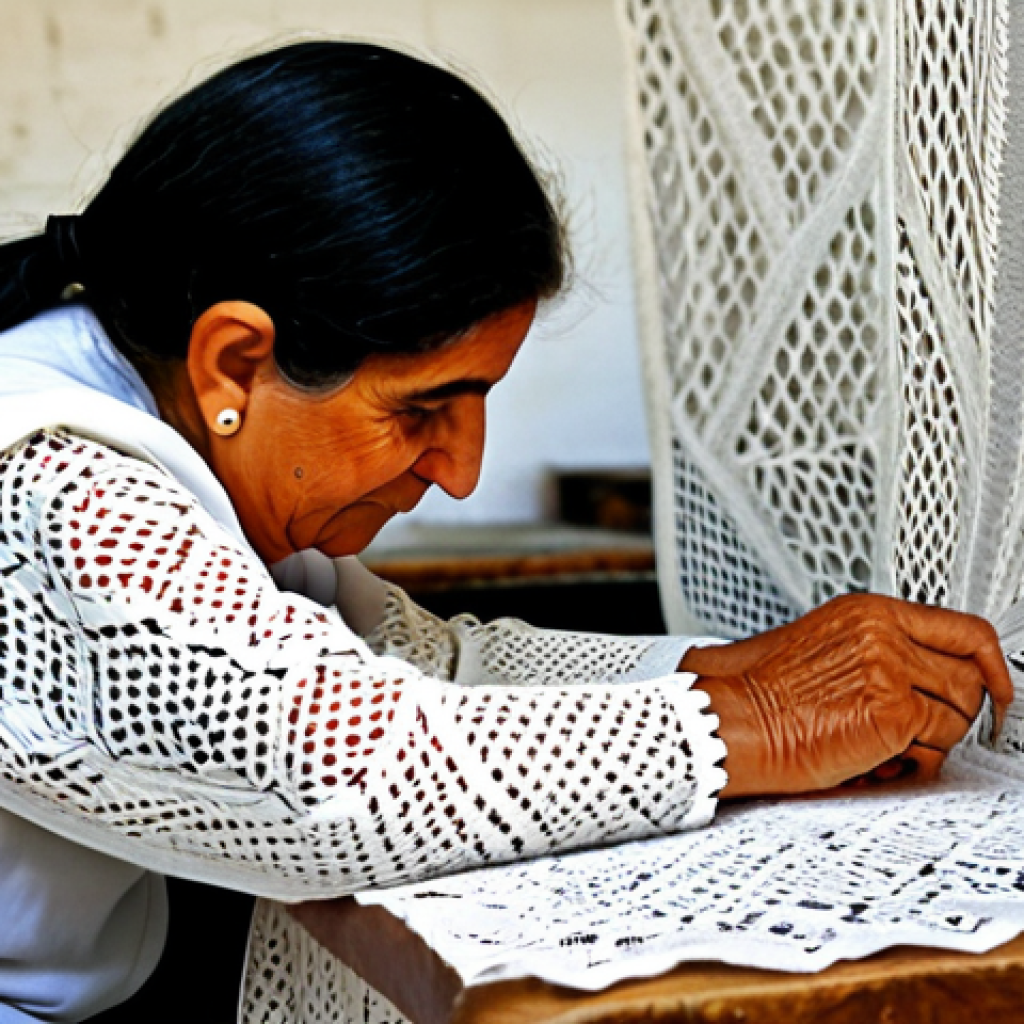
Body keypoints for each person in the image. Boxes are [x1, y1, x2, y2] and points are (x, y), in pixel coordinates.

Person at [0, 39, 1011, 1024]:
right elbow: (334, 771)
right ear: (234, 362)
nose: (460, 468)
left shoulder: (170, 431)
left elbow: (425, 666)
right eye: (422, 409)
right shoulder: (40, 475)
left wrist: (732, 672)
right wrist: (761, 722)